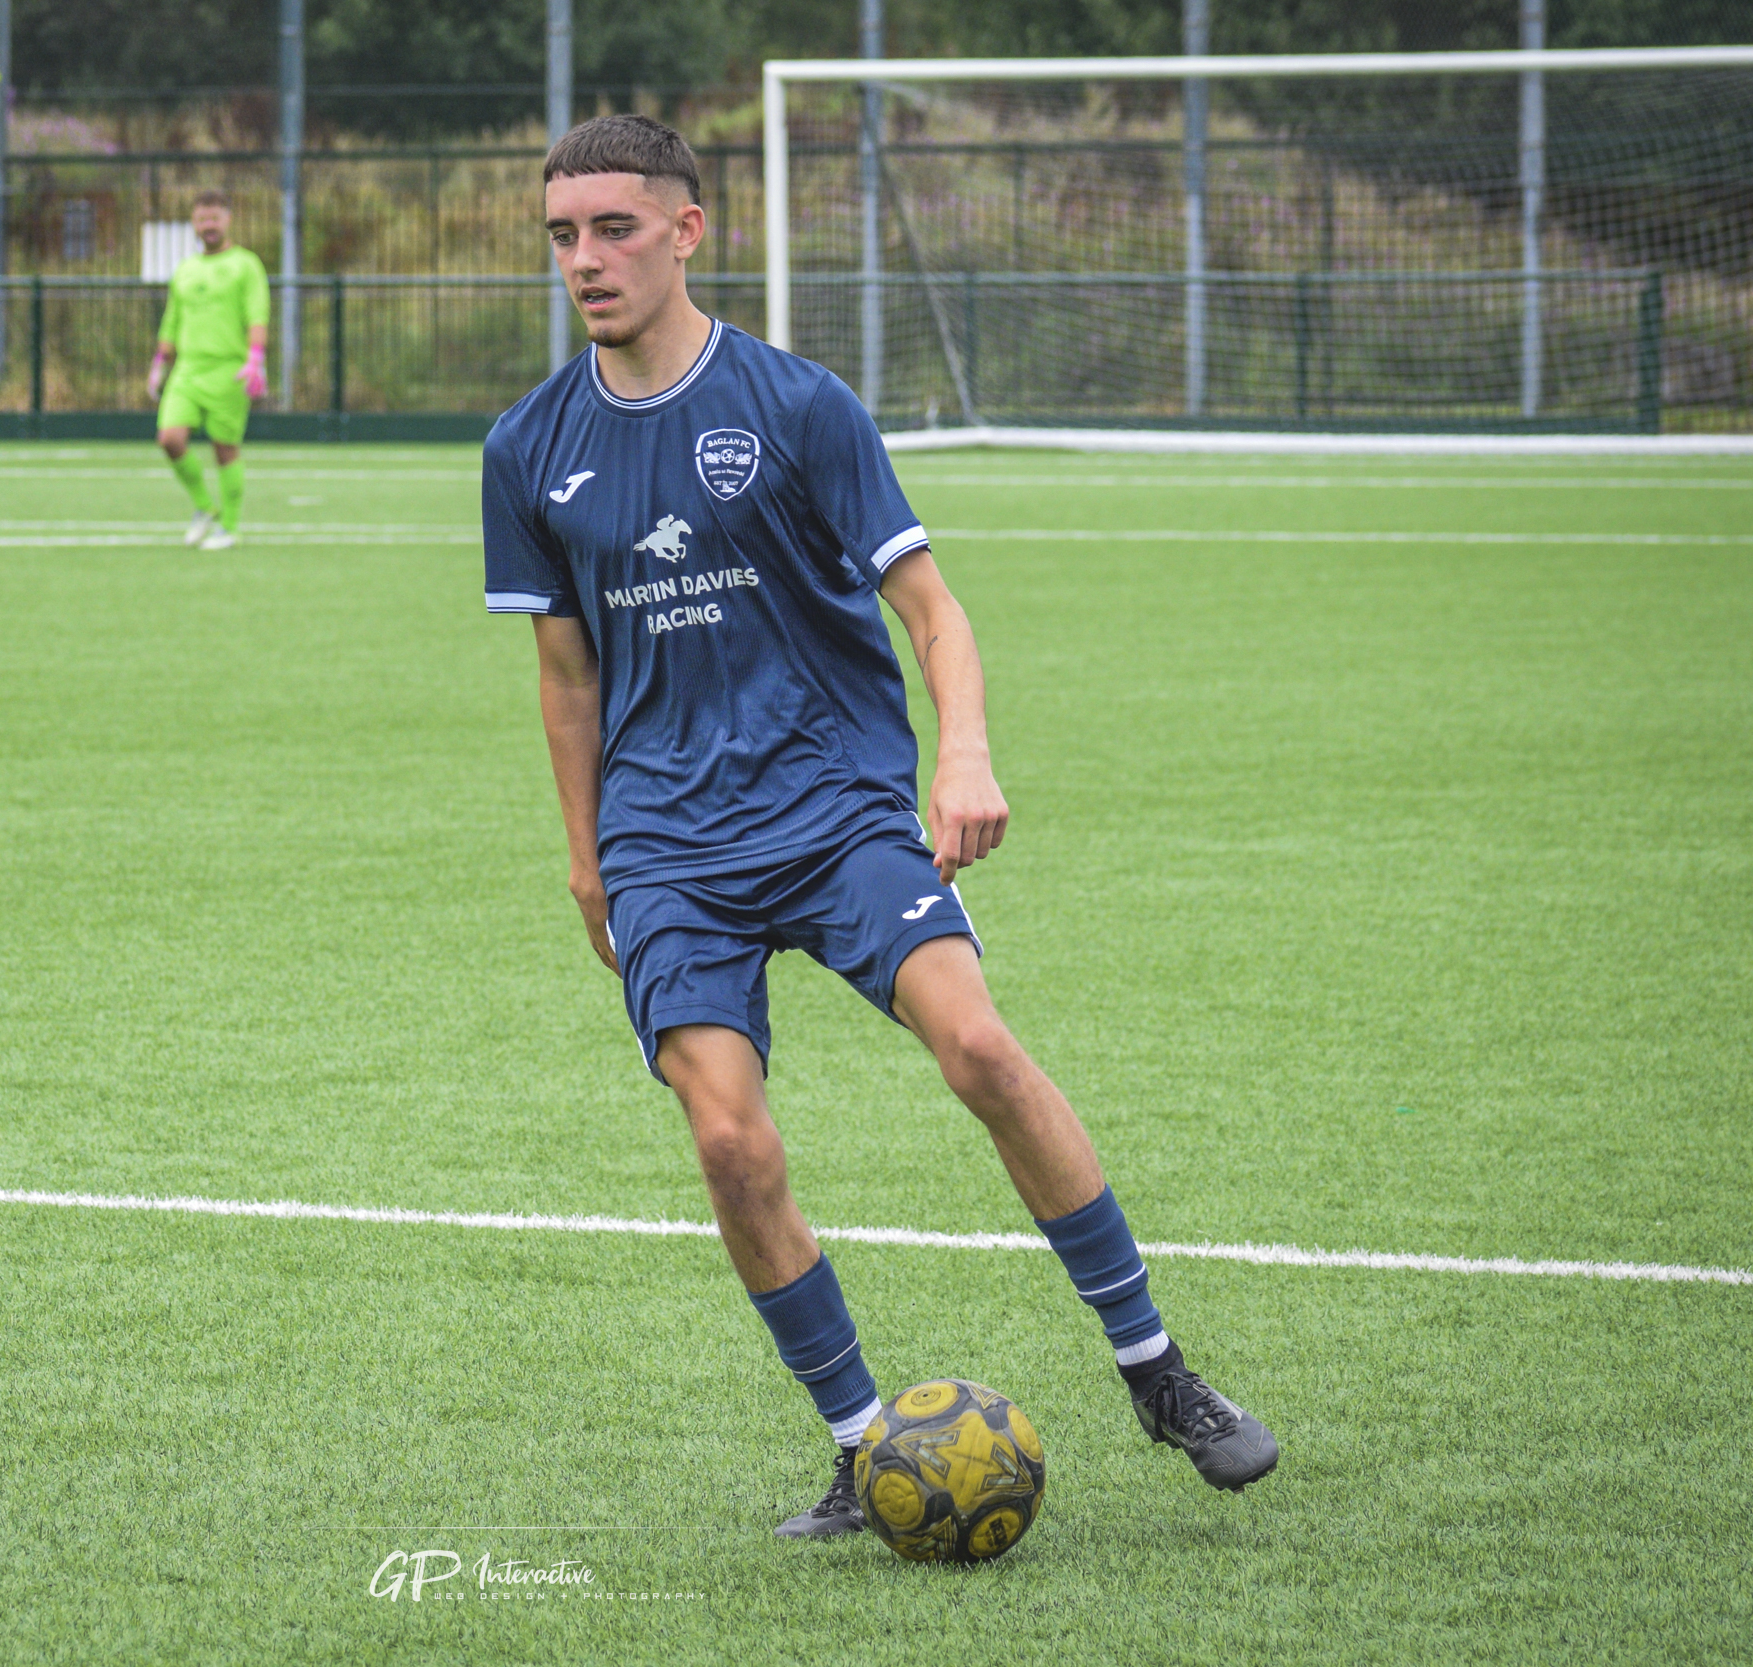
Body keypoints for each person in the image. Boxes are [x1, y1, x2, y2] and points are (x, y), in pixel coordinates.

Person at [481, 115, 1279, 1540]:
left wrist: (959, 753)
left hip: (835, 802)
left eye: (613, 227)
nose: (584, 259)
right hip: (670, 839)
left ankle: (1157, 1368)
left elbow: (933, 609)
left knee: (977, 1041)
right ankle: (862, 1447)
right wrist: (590, 854)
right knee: (730, 1141)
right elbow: (565, 674)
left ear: (686, 229)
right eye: (561, 234)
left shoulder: (798, 407)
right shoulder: (529, 448)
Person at [149, 189, 271, 551]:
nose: (209, 226)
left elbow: (257, 314)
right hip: (187, 371)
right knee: (169, 439)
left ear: (227, 219)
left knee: (225, 449)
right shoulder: (185, 269)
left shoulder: (245, 264)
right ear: (194, 224)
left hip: (229, 370)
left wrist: (255, 359)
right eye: (202, 219)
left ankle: (230, 527)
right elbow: (172, 319)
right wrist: (159, 363)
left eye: (215, 218)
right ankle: (205, 507)